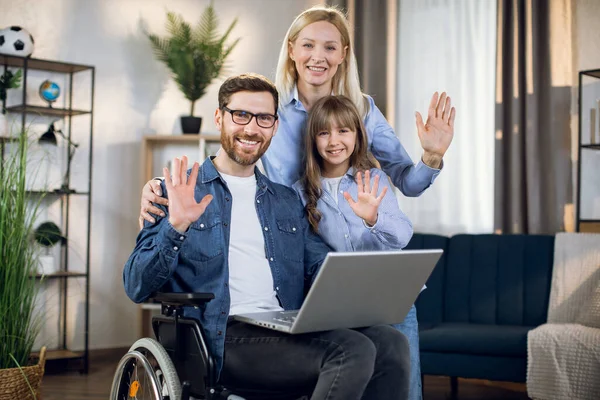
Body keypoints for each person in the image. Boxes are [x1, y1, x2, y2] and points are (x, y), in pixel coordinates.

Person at [137, 6, 456, 399]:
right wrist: (164, 198)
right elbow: (230, 166)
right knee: (349, 352)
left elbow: (408, 180)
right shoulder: (268, 112)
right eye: (308, 45)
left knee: (393, 345)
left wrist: (432, 156)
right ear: (291, 49)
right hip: (278, 279)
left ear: (344, 54)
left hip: (336, 264)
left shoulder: (360, 111)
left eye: (329, 47)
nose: (317, 57)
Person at [124, 73, 411, 399]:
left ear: (275, 126)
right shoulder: (174, 191)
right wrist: (176, 226)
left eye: (263, 118)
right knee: (350, 350)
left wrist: (357, 285)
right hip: (221, 338)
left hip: (288, 326)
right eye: (240, 115)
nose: (251, 128)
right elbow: (136, 285)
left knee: (390, 342)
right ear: (220, 117)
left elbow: (318, 262)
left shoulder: (285, 200)